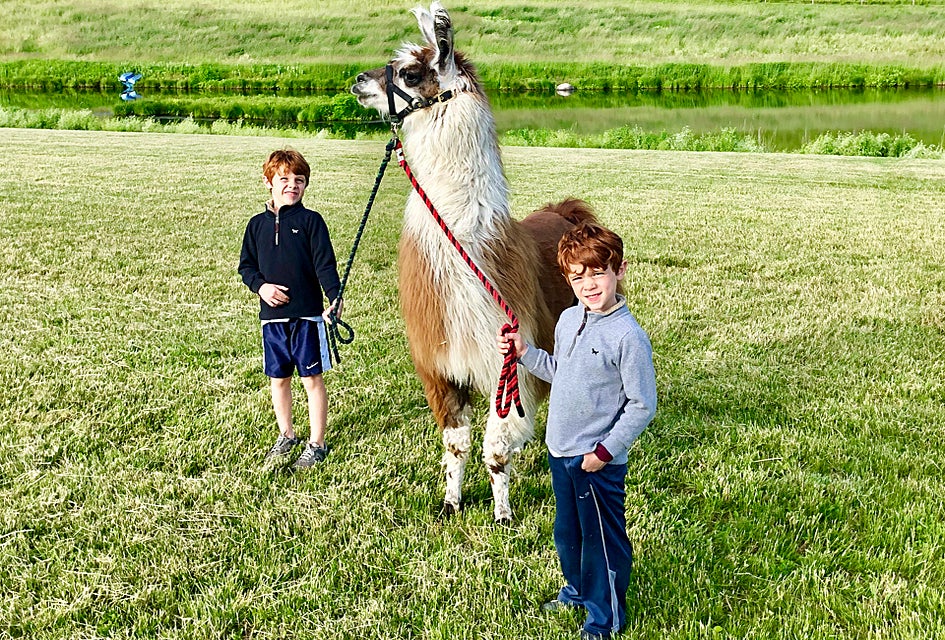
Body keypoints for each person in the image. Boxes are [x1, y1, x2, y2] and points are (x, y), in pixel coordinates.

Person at [497, 221, 657, 640]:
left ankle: (605, 618)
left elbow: (642, 405)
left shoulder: (628, 337)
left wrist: (603, 452)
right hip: (560, 451)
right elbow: (559, 372)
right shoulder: (569, 319)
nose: (588, 284)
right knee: (568, 533)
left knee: (602, 541)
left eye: (597, 273)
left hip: (595, 462)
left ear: (619, 271)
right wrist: (525, 354)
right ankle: (576, 589)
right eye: (577, 276)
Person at [238, 148, 341, 469]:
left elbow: (325, 264)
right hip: (272, 321)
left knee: (312, 379)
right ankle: (286, 435)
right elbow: (246, 267)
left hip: (307, 316)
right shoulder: (256, 225)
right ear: (268, 182)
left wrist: (334, 297)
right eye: (284, 179)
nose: (292, 185)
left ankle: (317, 442)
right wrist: (262, 287)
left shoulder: (312, 221)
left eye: (299, 180)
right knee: (279, 379)